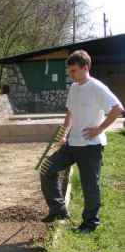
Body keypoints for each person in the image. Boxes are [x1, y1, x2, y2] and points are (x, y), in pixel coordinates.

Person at [40, 50, 124, 234]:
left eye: (74, 71)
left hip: (91, 146)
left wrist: (99, 129)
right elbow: (70, 112)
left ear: (86, 68)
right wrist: (64, 134)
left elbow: (117, 109)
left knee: (90, 185)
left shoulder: (97, 87)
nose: (71, 75)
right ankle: (58, 210)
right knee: (47, 170)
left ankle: (90, 223)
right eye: (69, 71)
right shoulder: (74, 88)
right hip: (72, 143)